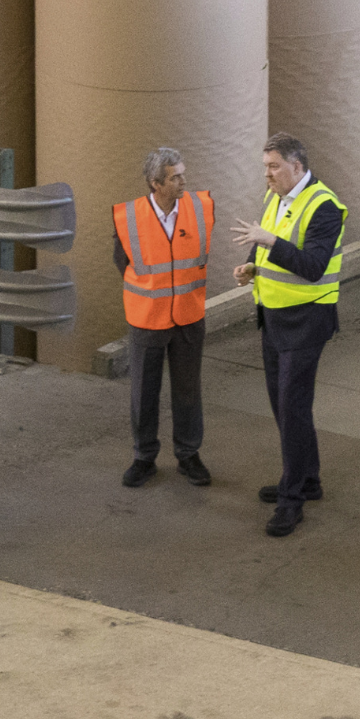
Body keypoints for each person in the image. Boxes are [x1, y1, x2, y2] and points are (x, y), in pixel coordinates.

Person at [234, 133, 344, 535]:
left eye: (274, 166)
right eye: (265, 166)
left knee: (293, 409)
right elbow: (264, 239)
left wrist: (269, 242)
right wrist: (251, 265)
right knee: (284, 408)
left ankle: (291, 499)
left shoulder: (325, 207)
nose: (267, 174)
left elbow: (313, 265)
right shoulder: (276, 198)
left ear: (297, 166)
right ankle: (307, 479)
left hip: (306, 321)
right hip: (274, 316)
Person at [114, 146, 215, 489]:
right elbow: (123, 263)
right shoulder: (128, 217)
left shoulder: (200, 208)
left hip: (188, 316)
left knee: (188, 389)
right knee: (144, 392)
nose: (184, 181)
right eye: (176, 177)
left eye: (183, 174)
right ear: (155, 183)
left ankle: (189, 454)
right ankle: (144, 457)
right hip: (147, 318)